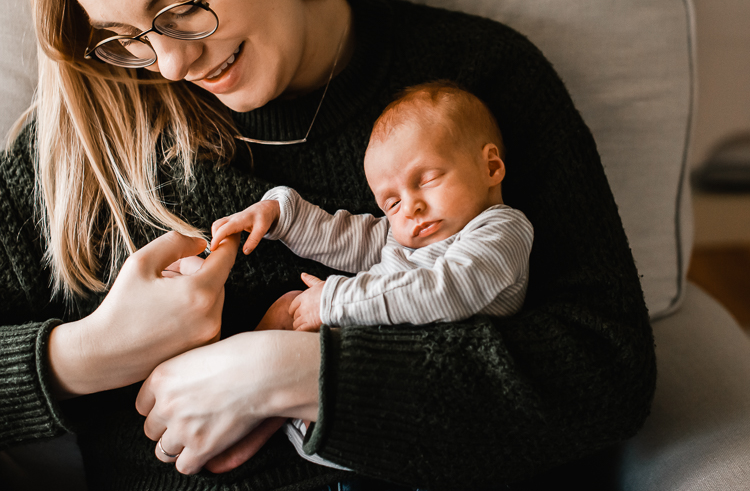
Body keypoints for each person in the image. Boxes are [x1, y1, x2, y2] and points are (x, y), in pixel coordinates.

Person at [0, 0, 656, 491]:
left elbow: (606, 371)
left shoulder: (478, 80)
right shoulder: (94, 139)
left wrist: (291, 373)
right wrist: (87, 352)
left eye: (182, 5)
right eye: (126, 36)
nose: (169, 63)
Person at [206, 82, 534, 469]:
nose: (410, 207)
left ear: (490, 167)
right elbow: (343, 236)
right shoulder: (404, 236)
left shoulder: (501, 230)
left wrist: (333, 301)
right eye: (391, 202)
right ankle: (249, 420)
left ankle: (259, 415)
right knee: (288, 309)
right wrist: (280, 214)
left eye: (426, 179)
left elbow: (449, 290)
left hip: (396, 397)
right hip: (328, 382)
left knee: (304, 320)